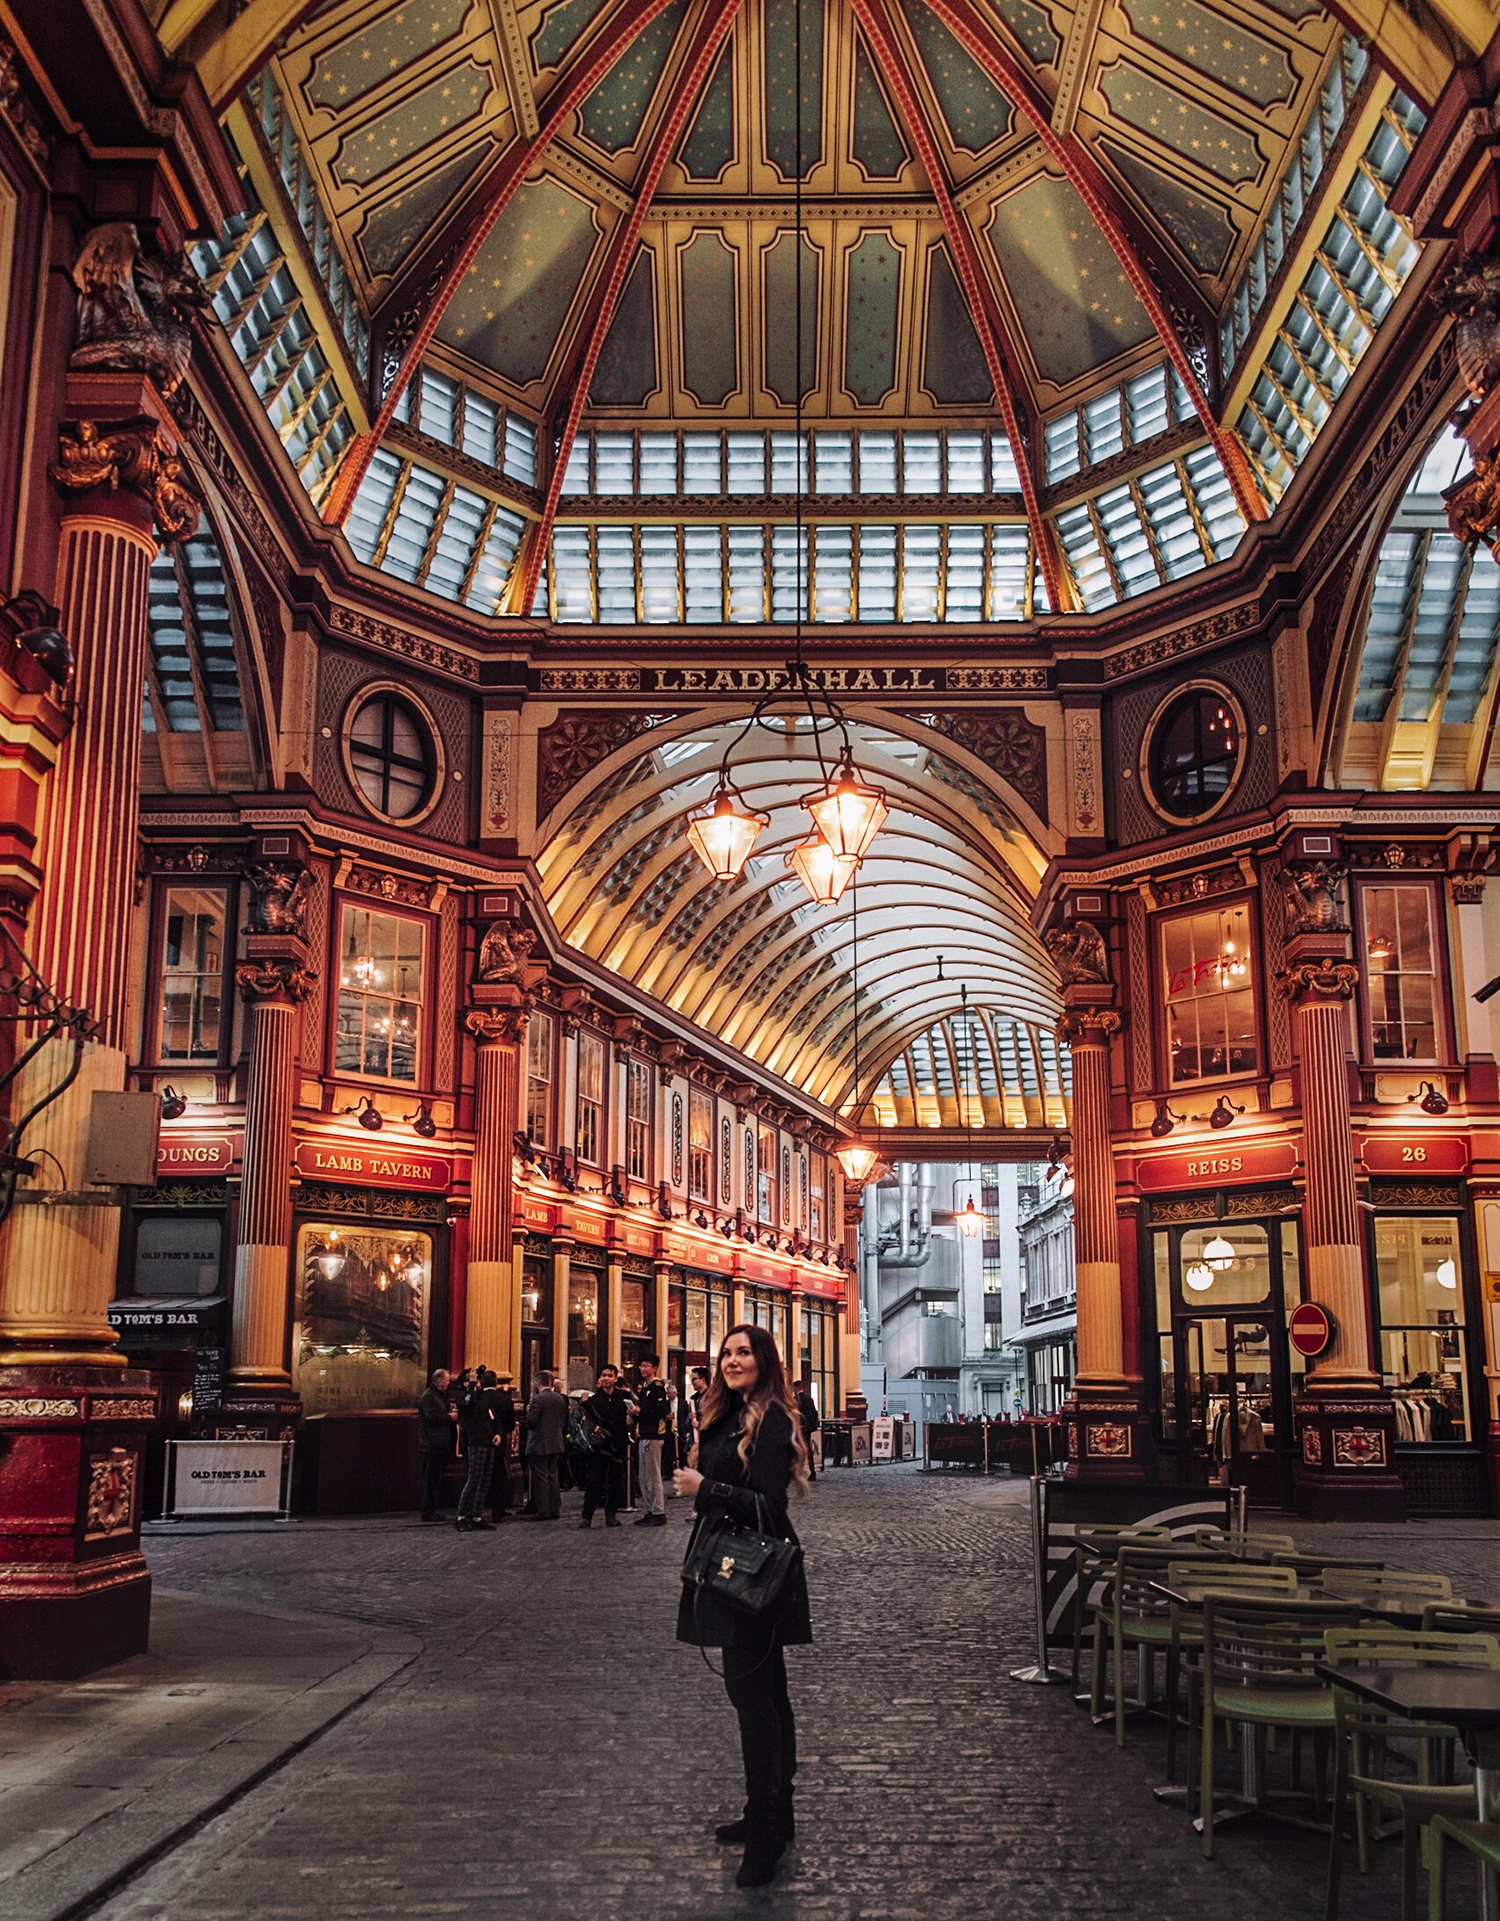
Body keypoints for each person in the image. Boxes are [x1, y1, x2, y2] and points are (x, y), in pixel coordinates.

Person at [674, 1324, 811, 1890]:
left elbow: (771, 1507)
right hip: (726, 1570)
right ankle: (772, 1814)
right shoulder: (724, 1416)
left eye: (743, 1352)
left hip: (752, 1575)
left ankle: (767, 1835)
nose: (732, 1361)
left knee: (755, 1700)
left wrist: (704, 1489)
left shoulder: (772, 1418)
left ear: (764, 1361)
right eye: (726, 1353)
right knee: (765, 1694)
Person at [579, 1364, 629, 1528]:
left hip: (617, 1444)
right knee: (594, 1481)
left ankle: (611, 1515)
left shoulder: (623, 1397)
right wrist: (585, 1404)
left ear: (615, 1378)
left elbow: (631, 1416)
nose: (606, 1378)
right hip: (600, 1446)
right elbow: (589, 1420)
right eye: (604, 1375)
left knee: (614, 1481)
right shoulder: (593, 1400)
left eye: (609, 1375)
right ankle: (587, 1516)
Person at [456, 1367, 499, 1531]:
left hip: (488, 1441)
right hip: (475, 1441)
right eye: (472, 1379)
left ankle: (476, 1515)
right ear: (465, 1383)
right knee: (473, 1479)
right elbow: (468, 1402)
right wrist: (471, 1386)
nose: (477, 1381)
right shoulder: (463, 1398)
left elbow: (493, 1417)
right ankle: (461, 1516)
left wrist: (498, 1433)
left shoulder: (483, 1398)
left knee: (485, 1480)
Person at [524, 1369, 569, 1520]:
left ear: (538, 1383)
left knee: (541, 1478)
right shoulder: (559, 1398)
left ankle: (543, 1511)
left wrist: (527, 1413)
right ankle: (554, 1509)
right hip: (555, 1442)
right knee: (553, 1477)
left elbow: (531, 1422)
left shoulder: (538, 1400)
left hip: (540, 1443)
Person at [634, 1354, 671, 1527]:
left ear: (654, 1368)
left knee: (653, 1475)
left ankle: (658, 1511)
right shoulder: (646, 1387)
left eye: (646, 1366)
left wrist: (639, 1412)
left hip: (654, 1436)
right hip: (645, 1434)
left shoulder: (657, 1387)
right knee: (644, 1476)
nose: (642, 1369)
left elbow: (662, 1410)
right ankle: (649, 1509)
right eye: (641, 1366)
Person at [416, 1367, 455, 1523]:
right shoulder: (429, 1397)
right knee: (430, 1480)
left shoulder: (438, 1396)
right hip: (431, 1444)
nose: (449, 1382)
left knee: (434, 1479)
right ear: (439, 1381)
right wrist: (449, 1417)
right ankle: (427, 1511)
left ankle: (432, 1510)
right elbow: (431, 1417)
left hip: (437, 1444)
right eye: (447, 1380)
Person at [486, 1371, 518, 1523]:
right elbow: (511, 1425)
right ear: (496, 1383)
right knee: (498, 1477)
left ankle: (476, 1510)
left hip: (479, 1443)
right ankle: (497, 1511)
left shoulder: (479, 1399)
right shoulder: (505, 1400)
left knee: (478, 1476)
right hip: (499, 1444)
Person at [795, 1378, 821, 1482]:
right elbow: (815, 1413)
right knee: (808, 1450)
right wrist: (811, 1423)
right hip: (808, 1428)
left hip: (800, 1428)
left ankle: (796, 1471)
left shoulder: (796, 1399)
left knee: (797, 1449)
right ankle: (812, 1471)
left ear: (795, 1388)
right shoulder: (809, 1399)